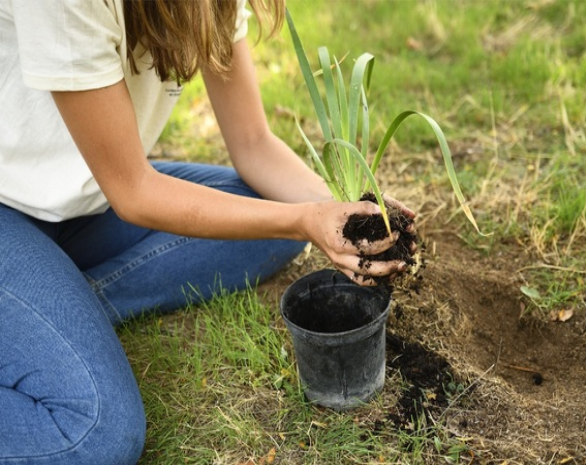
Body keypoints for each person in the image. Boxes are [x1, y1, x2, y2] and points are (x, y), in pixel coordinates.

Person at [0, 0, 415, 463]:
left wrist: (340, 211)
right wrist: (303, 218)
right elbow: (134, 191)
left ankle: (57, 311)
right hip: (12, 206)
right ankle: (41, 319)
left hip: (83, 200)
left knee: (274, 212)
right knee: (96, 433)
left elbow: (253, 142)